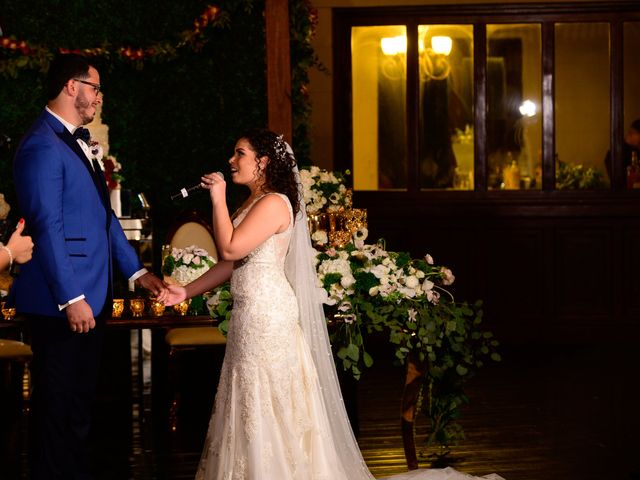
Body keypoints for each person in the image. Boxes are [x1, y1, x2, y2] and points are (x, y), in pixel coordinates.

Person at [159, 128, 503, 480]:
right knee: (247, 396)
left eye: (239, 153)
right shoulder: (249, 203)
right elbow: (231, 263)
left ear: (262, 162)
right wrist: (186, 291)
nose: (231, 161)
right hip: (250, 314)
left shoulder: (274, 202)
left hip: (268, 315)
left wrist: (216, 198)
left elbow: (230, 248)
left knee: (269, 397)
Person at [10, 53, 167, 479]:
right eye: (95, 87)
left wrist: (136, 272)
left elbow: (103, 216)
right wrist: (71, 298)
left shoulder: (77, 140)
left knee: (79, 408)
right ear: (71, 86)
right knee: (57, 410)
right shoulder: (42, 145)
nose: (99, 97)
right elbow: (46, 227)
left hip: (90, 295)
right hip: (61, 301)